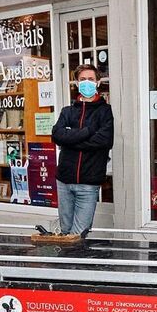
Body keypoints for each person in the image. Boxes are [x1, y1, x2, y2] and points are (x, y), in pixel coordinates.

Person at [51, 64, 114, 235]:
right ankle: (67, 262)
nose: (87, 83)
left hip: (88, 183)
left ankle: (77, 262)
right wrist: (87, 132)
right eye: (83, 79)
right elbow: (57, 136)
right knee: (65, 232)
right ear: (77, 83)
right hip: (64, 181)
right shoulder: (67, 111)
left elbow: (104, 141)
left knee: (79, 235)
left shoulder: (104, 112)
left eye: (91, 79)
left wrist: (70, 139)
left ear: (98, 83)